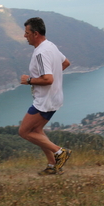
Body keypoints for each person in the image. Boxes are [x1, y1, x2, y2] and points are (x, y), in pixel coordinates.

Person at [18, 17, 71, 176]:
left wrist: (29, 80)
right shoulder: (51, 46)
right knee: (37, 130)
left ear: (35, 34)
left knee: (24, 131)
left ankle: (59, 152)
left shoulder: (41, 52)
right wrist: (54, 77)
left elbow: (48, 79)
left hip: (45, 101)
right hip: (53, 98)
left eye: (27, 33)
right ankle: (53, 164)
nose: (24, 36)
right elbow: (66, 62)